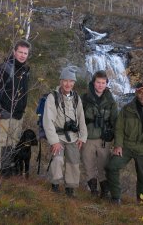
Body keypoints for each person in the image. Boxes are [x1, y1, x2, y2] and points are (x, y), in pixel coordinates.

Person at [105, 81, 143, 204]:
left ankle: (141, 203)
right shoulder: (127, 109)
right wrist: (118, 145)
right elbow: (119, 128)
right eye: (140, 92)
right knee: (112, 167)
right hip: (127, 146)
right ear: (136, 92)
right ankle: (116, 197)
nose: (142, 95)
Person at [0, 39, 31, 177]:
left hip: (18, 115)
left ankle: (8, 175)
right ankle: (1, 177)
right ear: (14, 52)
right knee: (1, 145)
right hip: (4, 115)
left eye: (25, 53)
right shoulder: (5, 69)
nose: (23, 55)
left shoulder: (25, 71)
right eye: (20, 52)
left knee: (12, 145)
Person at [43, 66, 87, 197]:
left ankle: (70, 189)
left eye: (71, 81)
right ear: (60, 81)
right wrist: (54, 141)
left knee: (74, 162)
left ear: (74, 83)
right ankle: (55, 185)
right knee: (57, 160)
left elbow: (81, 118)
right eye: (65, 81)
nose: (68, 84)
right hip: (58, 136)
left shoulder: (76, 98)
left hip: (73, 137)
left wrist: (82, 137)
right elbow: (48, 121)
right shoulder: (53, 97)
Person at [81, 70, 118, 198]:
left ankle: (104, 192)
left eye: (103, 83)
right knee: (88, 165)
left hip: (104, 139)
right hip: (87, 138)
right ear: (93, 82)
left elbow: (115, 121)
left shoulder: (111, 101)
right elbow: (79, 117)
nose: (100, 85)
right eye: (98, 82)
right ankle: (93, 191)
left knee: (103, 166)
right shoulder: (84, 98)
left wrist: (113, 136)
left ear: (106, 84)